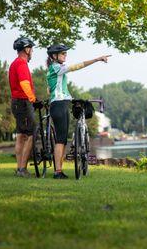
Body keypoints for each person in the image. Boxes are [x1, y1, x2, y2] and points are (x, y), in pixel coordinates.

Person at [46, 44, 110, 179]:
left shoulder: (53, 69)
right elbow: (76, 67)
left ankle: (59, 170)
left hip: (60, 104)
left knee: (62, 140)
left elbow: (50, 89)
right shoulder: (57, 67)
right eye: (62, 53)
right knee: (60, 140)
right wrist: (97, 59)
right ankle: (57, 172)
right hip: (59, 105)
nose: (65, 55)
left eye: (65, 53)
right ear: (54, 56)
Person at [8, 37, 39, 177]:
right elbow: (24, 84)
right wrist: (33, 99)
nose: (32, 51)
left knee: (20, 136)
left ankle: (19, 168)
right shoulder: (21, 64)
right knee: (32, 134)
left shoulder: (14, 63)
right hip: (23, 102)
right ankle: (22, 169)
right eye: (31, 48)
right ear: (26, 49)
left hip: (16, 102)